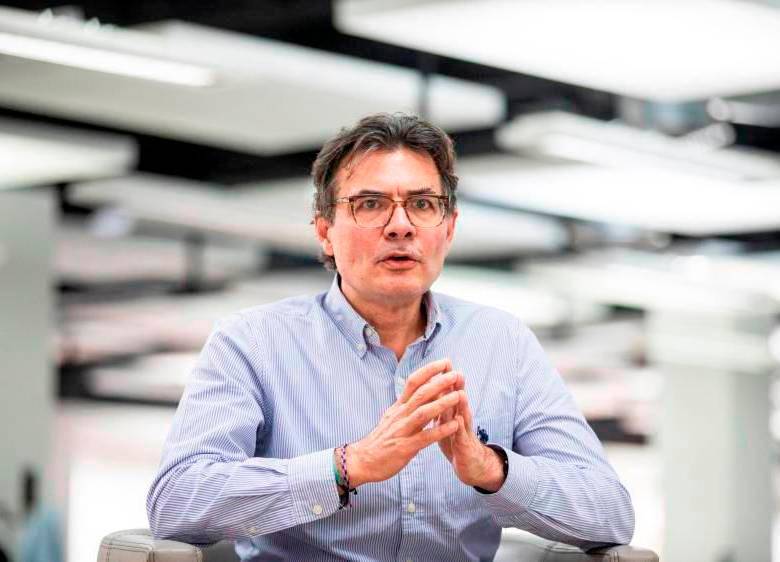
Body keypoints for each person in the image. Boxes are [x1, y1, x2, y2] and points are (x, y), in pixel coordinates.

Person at [146, 113, 635, 561]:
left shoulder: (503, 342)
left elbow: (609, 513)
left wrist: (490, 469)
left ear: (448, 229)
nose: (400, 226)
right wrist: (348, 466)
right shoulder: (252, 342)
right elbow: (178, 501)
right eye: (370, 204)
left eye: (422, 204)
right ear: (325, 231)